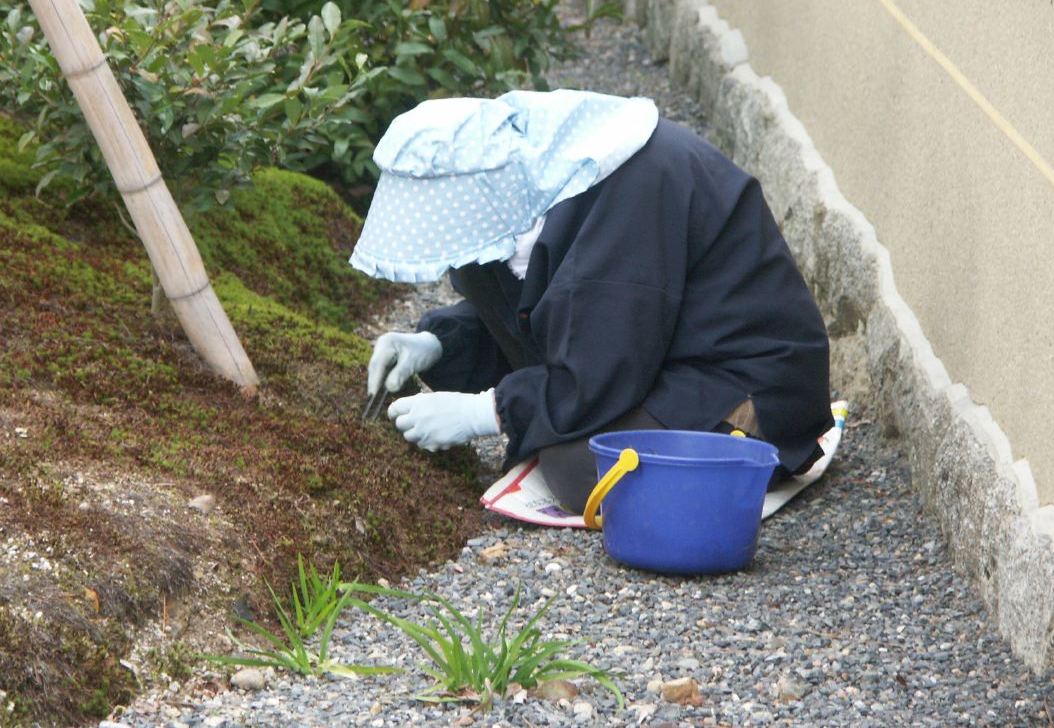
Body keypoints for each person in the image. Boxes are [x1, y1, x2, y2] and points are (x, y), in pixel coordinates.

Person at [350, 89, 831, 515]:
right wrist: (439, 345)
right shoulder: (544, 177)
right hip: (663, 351)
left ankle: (745, 453)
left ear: (478, 193)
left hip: (741, 380)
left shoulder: (624, 201)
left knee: (578, 467)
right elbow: (540, 317)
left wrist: (487, 413)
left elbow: (598, 364)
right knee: (560, 438)